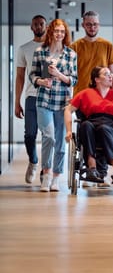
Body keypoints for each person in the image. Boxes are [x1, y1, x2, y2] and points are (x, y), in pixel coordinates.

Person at [64, 66, 113, 184]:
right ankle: (92, 169)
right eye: (106, 74)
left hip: (112, 129)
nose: (111, 76)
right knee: (85, 125)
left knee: (103, 128)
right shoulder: (86, 94)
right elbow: (68, 110)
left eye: (111, 74)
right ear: (97, 79)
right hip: (91, 127)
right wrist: (69, 130)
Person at [70, 10, 113, 187]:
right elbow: (70, 73)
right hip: (82, 99)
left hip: (104, 98)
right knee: (87, 131)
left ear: (99, 25)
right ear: (83, 25)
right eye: (89, 24)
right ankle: (90, 172)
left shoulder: (107, 45)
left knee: (103, 130)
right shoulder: (75, 47)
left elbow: (112, 72)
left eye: (95, 24)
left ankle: (102, 173)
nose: (92, 27)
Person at [29, 19, 77, 192]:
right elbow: (32, 75)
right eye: (56, 31)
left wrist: (59, 75)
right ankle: (46, 175)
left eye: (62, 31)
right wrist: (41, 81)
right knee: (49, 137)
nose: (59, 34)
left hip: (63, 102)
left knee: (61, 141)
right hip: (43, 100)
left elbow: (74, 79)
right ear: (51, 32)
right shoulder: (39, 52)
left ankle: (57, 177)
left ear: (66, 34)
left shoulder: (71, 54)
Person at [15, 14, 47, 184]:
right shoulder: (24, 49)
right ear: (31, 27)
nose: (39, 27)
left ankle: (45, 170)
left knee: (48, 136)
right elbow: (20, 77)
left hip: (49, 97)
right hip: (31, 97)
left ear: (46, 26)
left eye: (41, 24)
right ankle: (33, 161)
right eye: (36, 24)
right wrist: (16, 102)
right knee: (30, 135)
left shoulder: (52, 48)